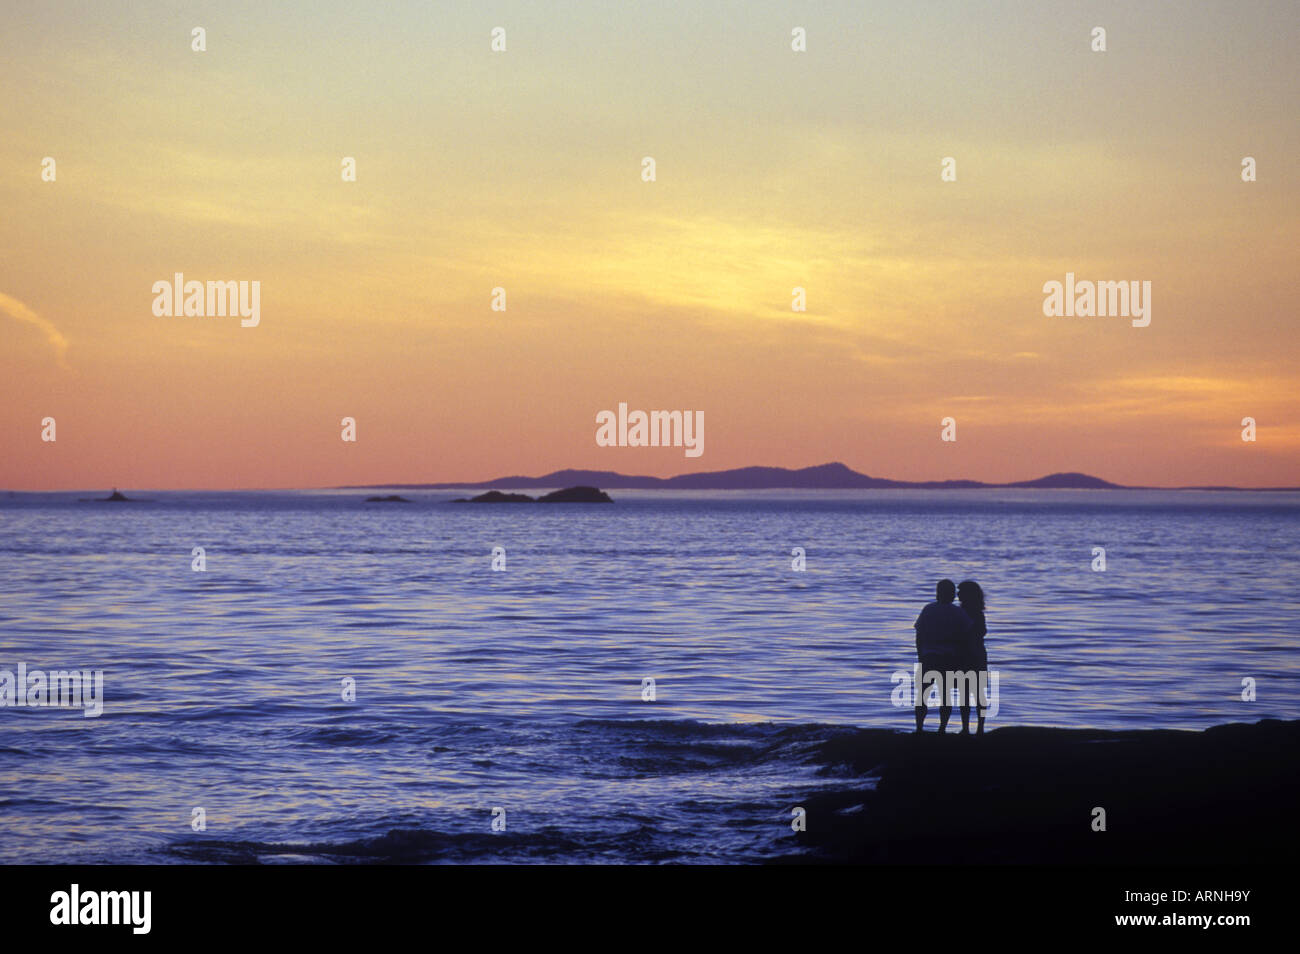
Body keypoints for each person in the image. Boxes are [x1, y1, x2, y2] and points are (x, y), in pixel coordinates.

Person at [913, 579, 975, 733]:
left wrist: (920, 655)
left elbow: (919, 634)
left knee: (922, 695)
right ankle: (942, 728)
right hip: (949, 658)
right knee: (945, 696)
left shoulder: (928, 609)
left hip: (929, 657)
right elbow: (967, 634)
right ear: (952, 594)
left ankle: (919, 728)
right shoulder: (958, 612)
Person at [956, 580, 989, 735]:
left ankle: (971, 728)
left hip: (969, 655)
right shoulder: (977, 613)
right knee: (973, 693)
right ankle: (975, 728)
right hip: (975, 654)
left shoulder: (965, 613)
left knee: (971, 693)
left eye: (961, 591)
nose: (958, 594)